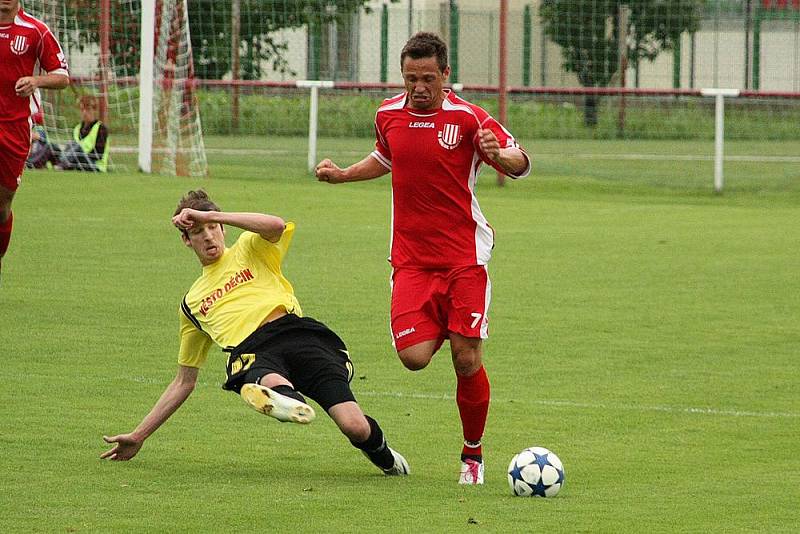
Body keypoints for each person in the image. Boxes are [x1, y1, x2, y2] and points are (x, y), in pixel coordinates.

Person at [315, 32, 530, 485]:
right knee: (413, 358)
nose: (419, 87)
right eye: (411, 78)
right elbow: (385, 156)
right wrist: (343, 176)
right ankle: (446, 327)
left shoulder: (469, 118)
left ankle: (472, 454)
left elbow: (520, 159)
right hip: (411, 261)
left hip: (464, 258)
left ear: (445, 75)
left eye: (428, 78)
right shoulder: (388, 114)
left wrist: (500, 155)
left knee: (466, 357)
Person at [101, 190, 410, 478]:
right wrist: (139, 435)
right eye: (197, 231)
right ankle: (281, 398)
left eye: (212, 227)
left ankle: (383, 456)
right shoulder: (192, 303)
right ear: (186, 240)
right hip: (254, 350)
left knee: (355, 427)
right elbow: (184, 381)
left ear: (222, 228)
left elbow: (275, 224)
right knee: (262, 372)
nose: (208, 236)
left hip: (298, 334)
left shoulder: (250, 248)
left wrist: (212, 216)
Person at [0, 0, 69, 279]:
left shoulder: (35, 31)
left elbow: (62, 76)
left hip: (15, 129)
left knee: (3, 203)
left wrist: (36, 81)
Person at [55, 94, 110, 172]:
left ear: (94, 110)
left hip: (95, 165)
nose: (84, 113)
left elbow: (98, 155)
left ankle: (63, 163)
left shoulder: (101, 128)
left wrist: (80, 154)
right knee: (69, 144)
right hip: (78, 162)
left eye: (88, 109)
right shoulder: (77, 128)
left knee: (77, 147)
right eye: (82, 109)